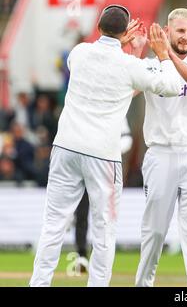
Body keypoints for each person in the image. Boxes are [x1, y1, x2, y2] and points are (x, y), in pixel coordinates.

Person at [29, 4, 181, 287]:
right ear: (125, 32)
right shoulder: (130, 66)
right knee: (104, 230)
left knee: (53, 225)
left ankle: (38, 283)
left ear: (98, 27)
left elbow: (98, 60)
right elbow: (171, 86)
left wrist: (118, 40)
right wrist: (162, 55)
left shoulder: (79, 53)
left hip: (66, 147)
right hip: (102, 154)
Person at [135, 8, 187, 287]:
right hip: (160, 153)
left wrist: (166, 56)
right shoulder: (149, 64)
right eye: (179, 31)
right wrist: (135, 51)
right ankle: (143, 283)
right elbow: (126, 87)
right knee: (155, 231)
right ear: (167, 31)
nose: (185, 37)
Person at [73, 117, 133, 274]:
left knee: (103, 216)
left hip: (106, 169)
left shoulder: (119, 105)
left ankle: (100, 259)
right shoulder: (85, 105)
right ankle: (81, 255)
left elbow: (127, 139)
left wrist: (109, 150)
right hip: (86, 165)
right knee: (81, 212)